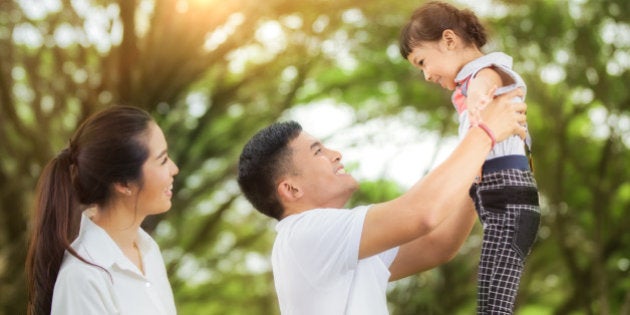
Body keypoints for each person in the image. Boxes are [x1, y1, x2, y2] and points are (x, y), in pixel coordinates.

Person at [237, 88, 527, 314]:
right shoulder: (305, 233)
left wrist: (478, 169)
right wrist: (485, 133)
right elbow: (422, 213)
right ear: (291, 189)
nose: (336, 154)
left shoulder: (337, 243)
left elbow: (435, 245)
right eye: (318, 152)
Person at [398, 1, 541, 314]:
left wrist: (478, 94)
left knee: (494, 301)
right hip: (499, 200)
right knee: (490, 296)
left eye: (422, 61)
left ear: (449, 41)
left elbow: (489, 79)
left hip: (509, 196)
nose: (425, 75)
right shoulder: (470, 83)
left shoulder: (486, 73)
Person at [26, 106, 179, 315]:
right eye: (162, 160)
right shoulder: (83, 277)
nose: (174, 169)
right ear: (124, 183)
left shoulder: (148, 250)